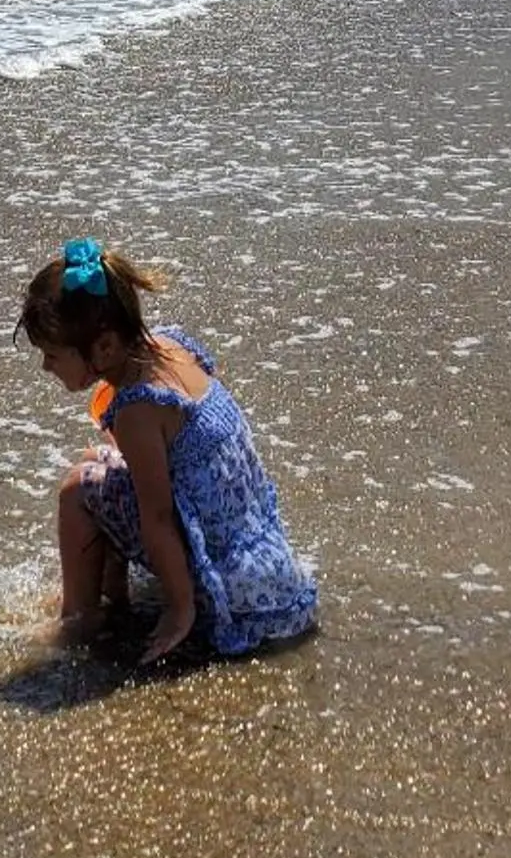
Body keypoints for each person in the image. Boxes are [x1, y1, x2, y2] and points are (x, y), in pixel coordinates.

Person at [17, 237, 317, 664]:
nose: (46, 366)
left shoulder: (138, 409)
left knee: (78, 489)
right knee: (98, 462)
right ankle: (111, 596)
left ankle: (80, 620)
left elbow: (156, 517)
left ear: (105, 347)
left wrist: (180, 610)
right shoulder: (170, 344)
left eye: (51, 355)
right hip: (263, 565)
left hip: (229, 587)